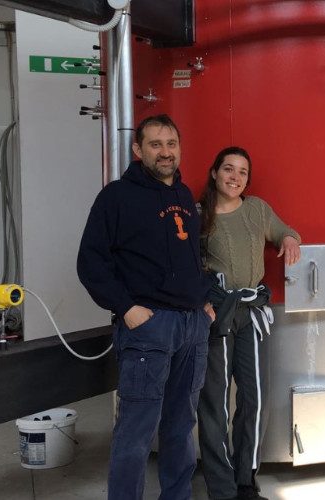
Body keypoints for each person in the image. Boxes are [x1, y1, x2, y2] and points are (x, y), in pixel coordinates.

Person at [77, 114, 215, 500]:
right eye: (155, 145)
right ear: (138, 150)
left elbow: (189, 255)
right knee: (137, 431)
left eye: (171, 144)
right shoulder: (116, 197)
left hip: (191, 328)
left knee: (179, 426)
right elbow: (91, 262)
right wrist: (126, 309)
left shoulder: (184, 196)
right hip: (148, 328)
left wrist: (202, 299)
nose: (165, 152)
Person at [197, 146, 301, 500]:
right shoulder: (200, 215)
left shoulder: (257, 209)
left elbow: (285, 230)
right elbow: (185, 266)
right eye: (228, 169)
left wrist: (288, 237)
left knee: (255, 399)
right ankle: (222, 488)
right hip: (217, 315)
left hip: (252, 313)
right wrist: (201, 301)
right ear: (214, 172)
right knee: (215, 405)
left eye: (242, 172)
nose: (235, 177)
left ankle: (246, 481)